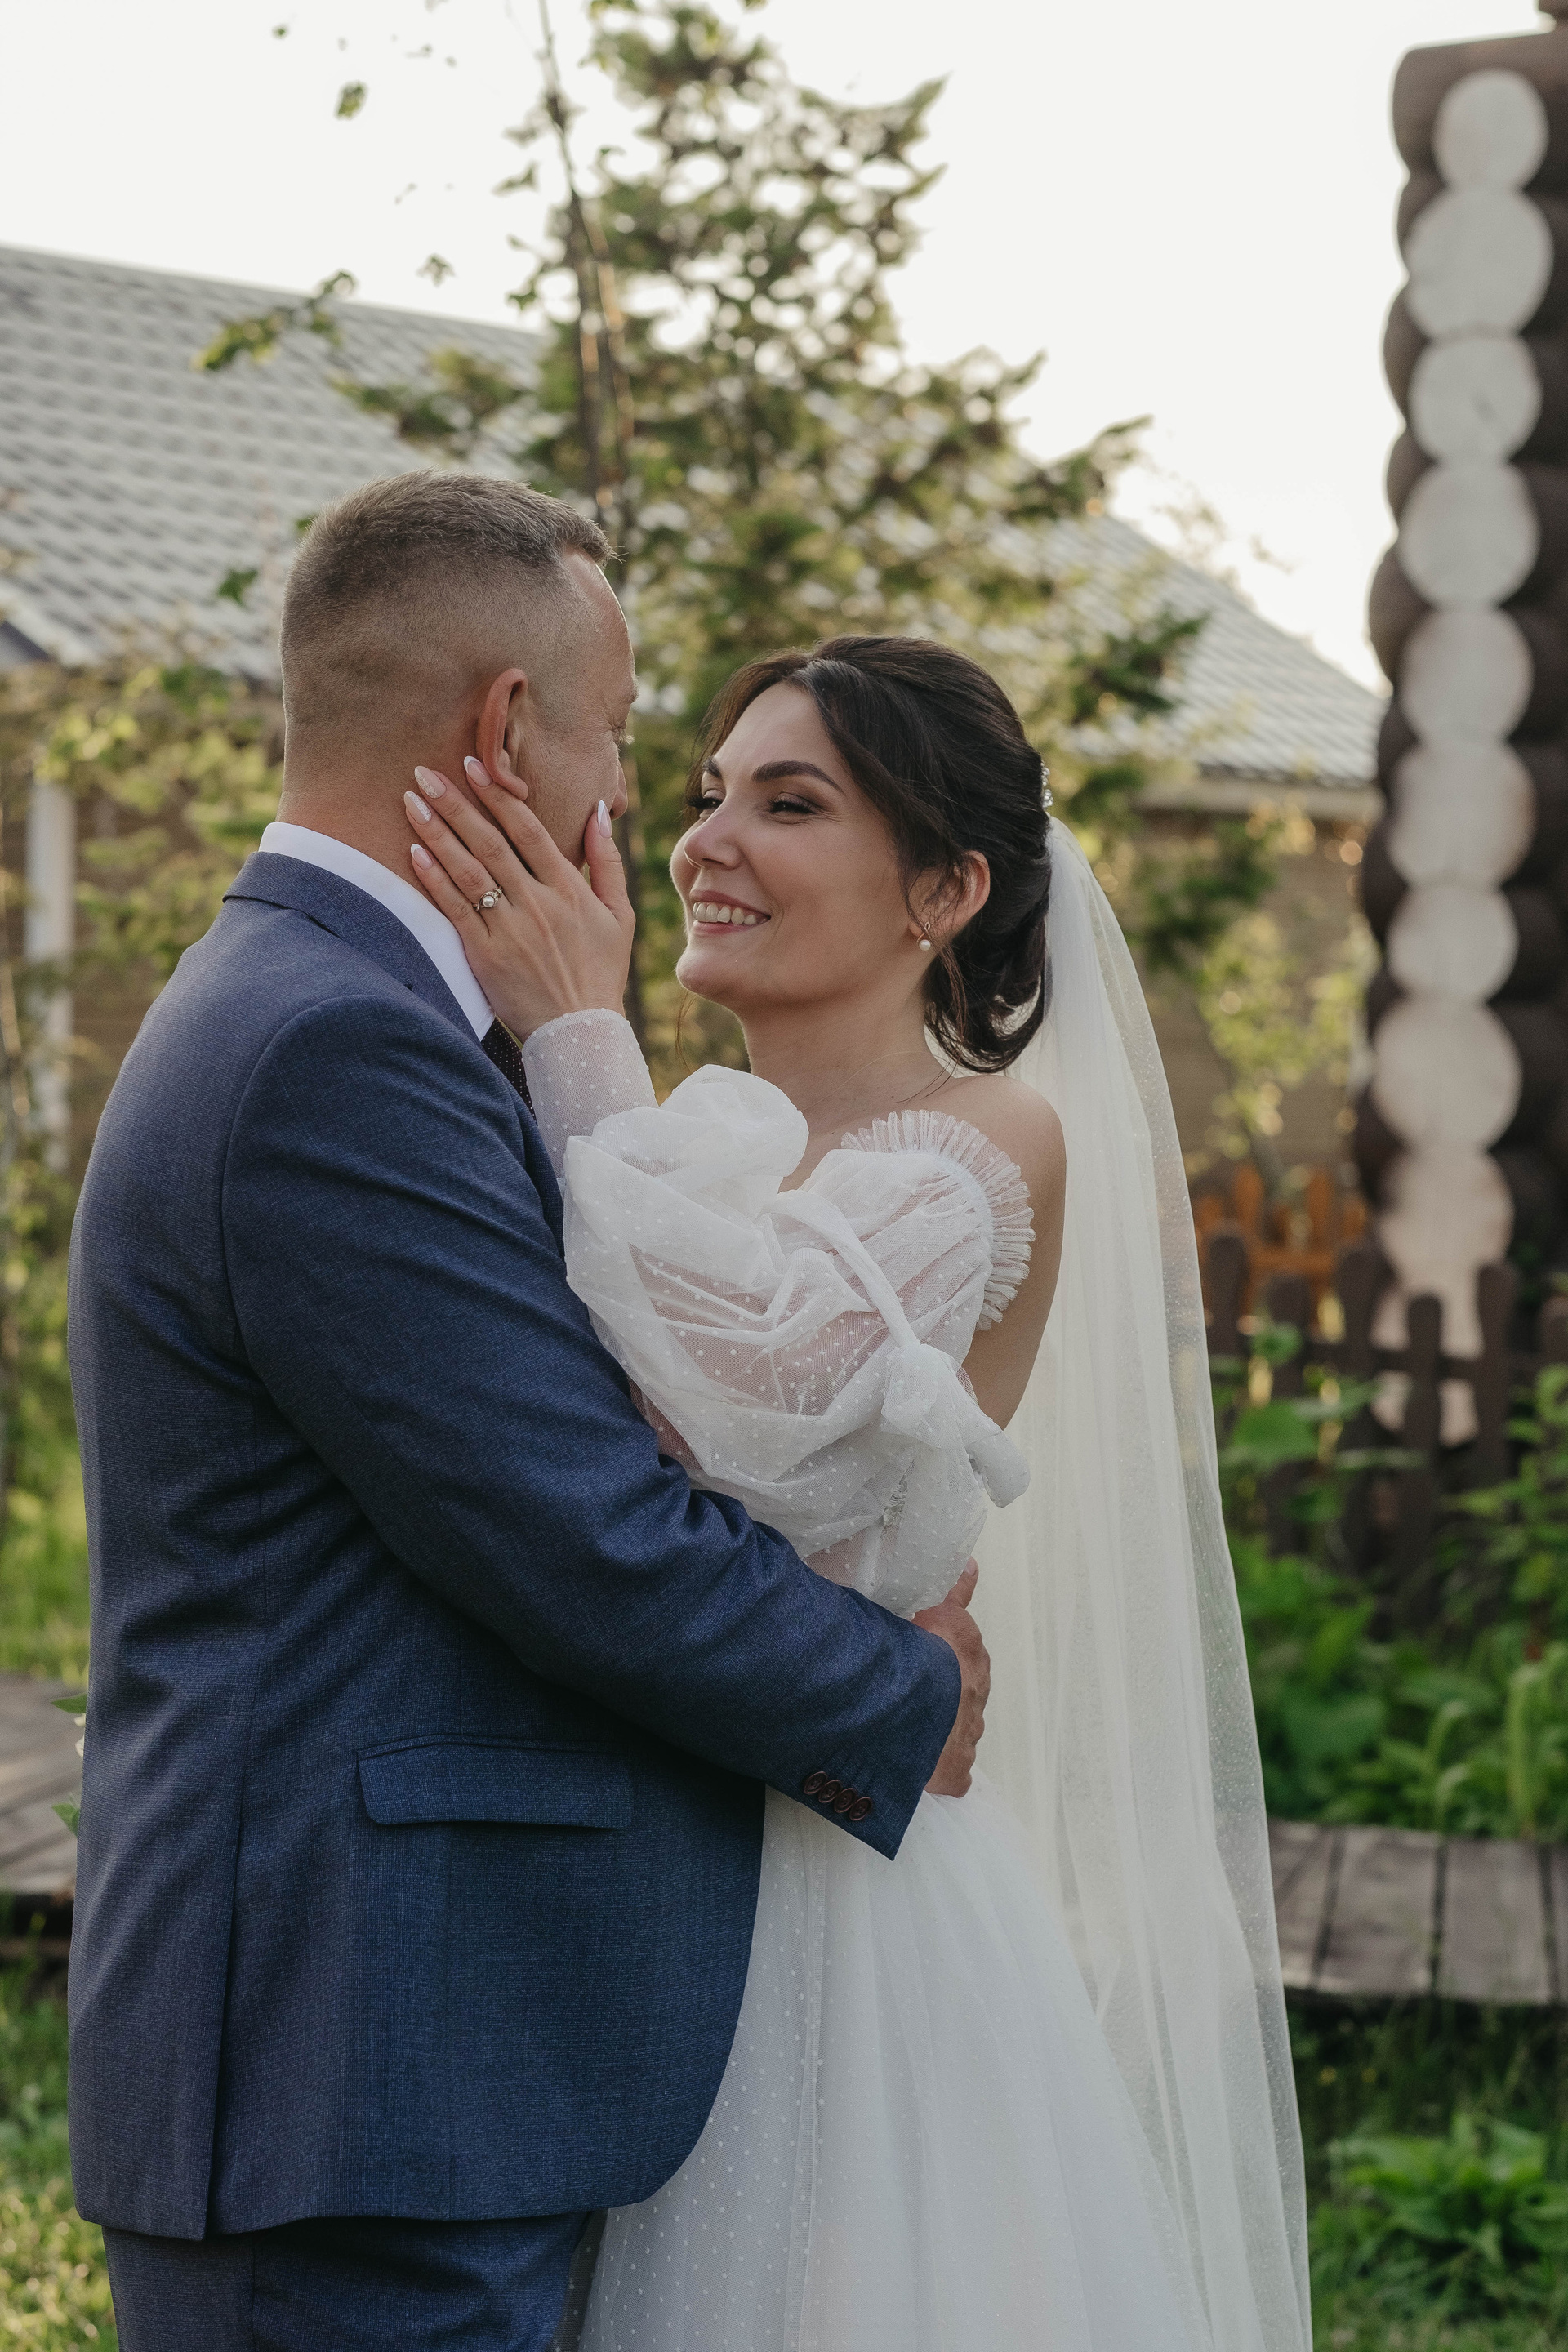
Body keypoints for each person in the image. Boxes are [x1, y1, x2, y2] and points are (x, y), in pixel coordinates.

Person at [66, 474, 989, 2352]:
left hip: (414, 2062)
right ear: (505, 729)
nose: (638, 801)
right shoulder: (337, 1047)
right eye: (626, 739)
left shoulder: (339, 1011)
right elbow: (580, 1532)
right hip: (360, 2076)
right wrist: (904, 1688)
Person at [406, 633, 1314, 2351]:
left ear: (946, 891)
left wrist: (577, 1033)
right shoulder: (692, 1143)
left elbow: (755, 1393)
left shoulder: (988, 1140)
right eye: (709, 795)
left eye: (792, 803)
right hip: (634, 1861)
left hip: (837, 1902)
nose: (706, 842)